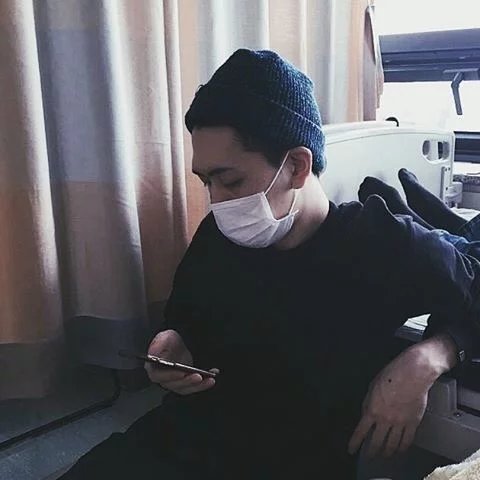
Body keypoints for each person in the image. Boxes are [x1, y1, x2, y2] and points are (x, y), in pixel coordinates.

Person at [59, 49, 480, 480]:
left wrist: (430, 356)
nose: (217, 201)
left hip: (285, 461)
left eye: (230, 180)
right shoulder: (218, 235)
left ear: (296, 166)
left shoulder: (379, 243)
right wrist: (173, 346)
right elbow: (185, 320)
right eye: (206, 181)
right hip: (183, 438)